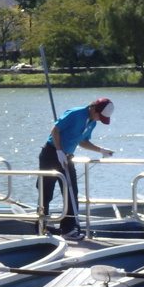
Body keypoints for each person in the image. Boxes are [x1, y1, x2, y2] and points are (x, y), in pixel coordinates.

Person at [37, 98, 115, 241]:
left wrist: (101, 150)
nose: (99, 120)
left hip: (67, 157)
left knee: (71, 192)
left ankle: (68, 229)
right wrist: (59, 151)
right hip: (51, 154)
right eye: (100, 116)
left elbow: (83, 141)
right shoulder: (75, 113)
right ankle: (41, 227)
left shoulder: (92, 123)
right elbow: (55, 130)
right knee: (46, 191)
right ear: (93, 109)